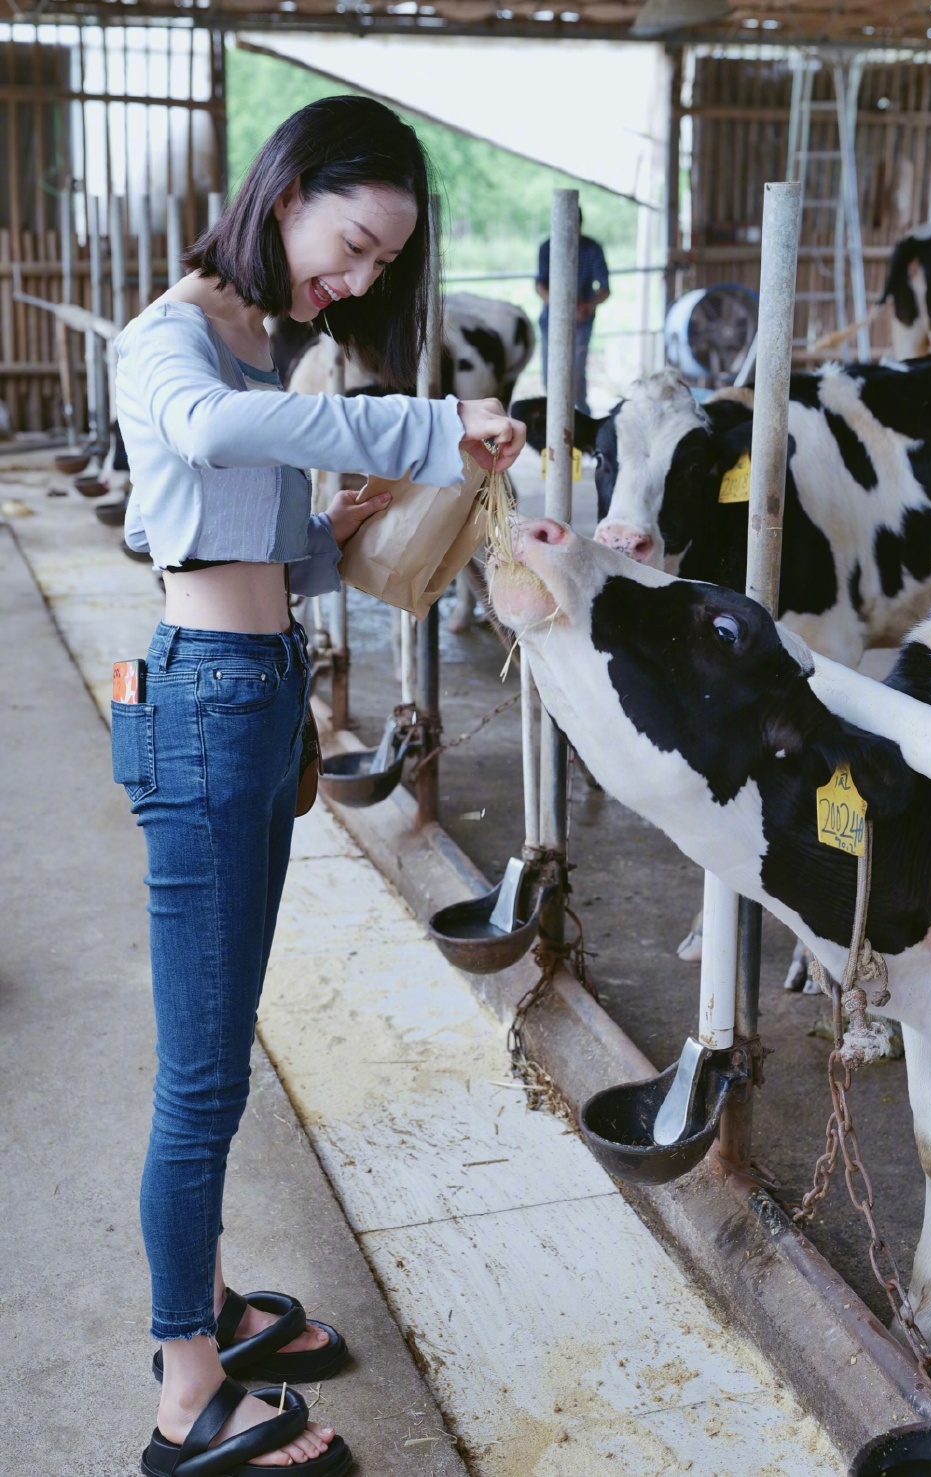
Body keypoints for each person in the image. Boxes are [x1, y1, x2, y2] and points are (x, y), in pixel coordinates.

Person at [112, 95, 525, 1476]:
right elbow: (205, 434)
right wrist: (415, 430)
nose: (349, 285)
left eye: (374, 272)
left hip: (259, 686)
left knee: (222, 1048)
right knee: (202, 1072)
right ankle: (184, 1397)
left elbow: (266, 544)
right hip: (208, 699)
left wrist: (334, 527)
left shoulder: (266, 348)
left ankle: (211, 1307)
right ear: (285, 191)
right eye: (348, 246)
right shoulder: (172, 339)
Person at [535, 207, 610, 415]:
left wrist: (589, 305)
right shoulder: (547, 247)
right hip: (551, 320)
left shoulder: (592, 249)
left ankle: (580, 415)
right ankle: (557, 420)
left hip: (581, 321)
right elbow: (540, 284)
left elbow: (605, 288)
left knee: (576, 373)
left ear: (580, 226)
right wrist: (558, 306)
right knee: (551, 376)